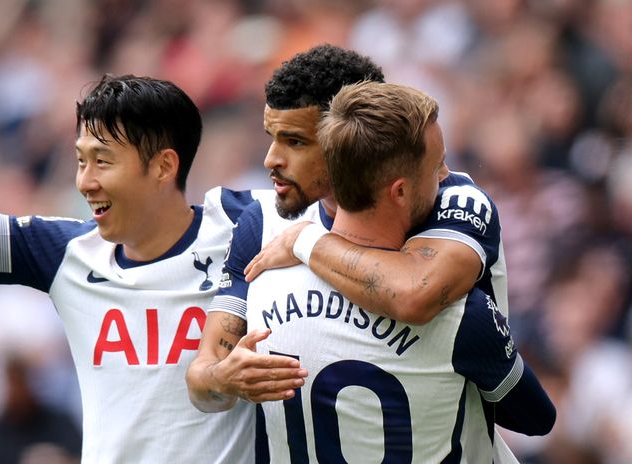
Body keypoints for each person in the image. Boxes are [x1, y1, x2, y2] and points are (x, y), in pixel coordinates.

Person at [0, 14, 272, 463]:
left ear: (164, 166)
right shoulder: (66, 253)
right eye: (80, 160)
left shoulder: (244, 225)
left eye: (102, 161)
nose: (85, 182)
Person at [249, 81, 555, 461]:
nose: (446, 176)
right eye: (436, 165)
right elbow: (536, 418)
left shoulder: (263, 286)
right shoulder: (458, 314)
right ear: (399, 192)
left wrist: (306, 240)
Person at [187, 44, 504, 410]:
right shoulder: (261, 223)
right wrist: (221, 379)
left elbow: (415, 295)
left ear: (346, 141)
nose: (271, 159)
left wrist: (306, 242)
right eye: (272, 137)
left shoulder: (451, 201)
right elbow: (201, 379)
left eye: (295, 142)